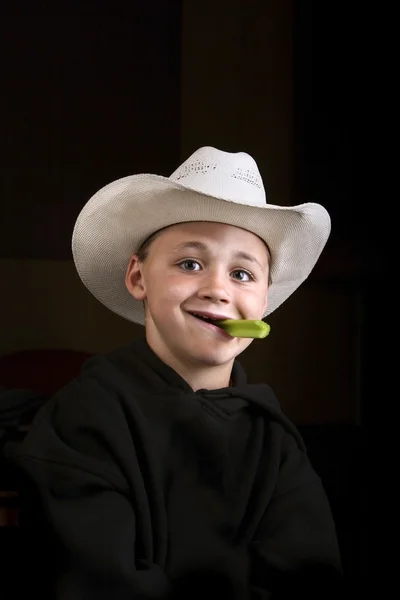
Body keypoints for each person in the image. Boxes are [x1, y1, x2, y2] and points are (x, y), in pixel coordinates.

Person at [13, 146, 343, 598]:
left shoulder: (274, 439)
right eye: (190, 264)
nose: (218, 290)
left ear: (264, 301)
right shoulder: (82, 421)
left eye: (243, 274)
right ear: (138, 278)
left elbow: (309, 579)